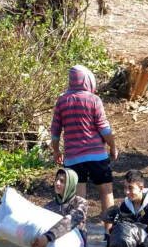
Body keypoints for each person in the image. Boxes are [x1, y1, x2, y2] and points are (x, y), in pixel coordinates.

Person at [50, 65, 118, 220]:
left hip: (73, 158)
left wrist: (56, 151)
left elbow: (55, 133)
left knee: (79, 199)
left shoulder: (62, 101)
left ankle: (80, 233)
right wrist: (113, 146)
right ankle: (110, 232)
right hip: (97, 157)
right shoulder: (94, 100)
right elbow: (104, 129)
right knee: (106, 190)